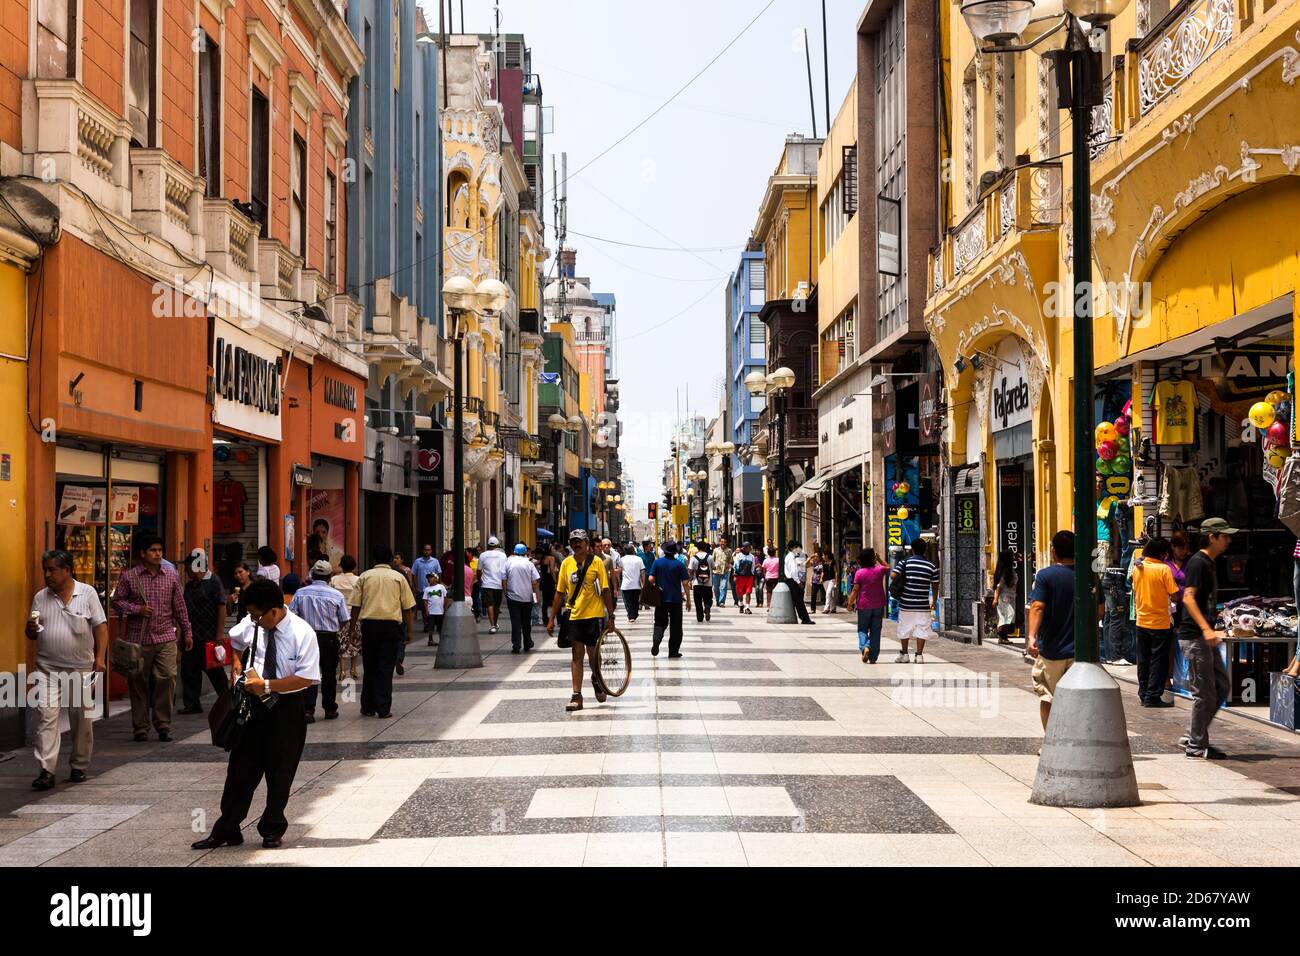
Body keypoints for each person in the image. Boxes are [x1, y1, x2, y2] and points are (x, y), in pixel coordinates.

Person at [191, 579, 319, 851]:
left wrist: (268, 685)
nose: (255, 622)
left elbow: (306, 679)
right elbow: (235, 643)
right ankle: (228, 828)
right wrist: (236, 666)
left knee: (280, 771)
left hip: (286, 708)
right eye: (252, 616)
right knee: (240, 770)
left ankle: (272, 828)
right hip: (252, 706)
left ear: (275, 610)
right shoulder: (253, 623)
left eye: (259, 616)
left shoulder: (302, 633)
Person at [27, 550, 108, 790]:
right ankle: (46, 770)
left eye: (52, 569)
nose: (47, 574)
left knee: (81, 718)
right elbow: (31, 633)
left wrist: (101, 658)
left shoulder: (87, 593)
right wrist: (30, 628)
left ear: (67, 570)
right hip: (47, 667)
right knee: (45, 716)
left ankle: (79, 765)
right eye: (45, 570)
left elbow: (100, 627)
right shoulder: (41, 597)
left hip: (81, 667)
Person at [111, 533, 193, 742]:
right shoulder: (130, 577)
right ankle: (140, 726)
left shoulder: (171, 576)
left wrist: (187, 632)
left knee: (167, 678)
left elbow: (180, 607)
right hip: (138, 640)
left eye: (159, 550)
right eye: (153, 550)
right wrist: (137, 609)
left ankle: (163, 724)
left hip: (166, 637)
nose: (158, 554)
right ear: (142, 553)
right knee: (138, 683)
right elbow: (117, 602)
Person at [1178, 519, 1235, 759]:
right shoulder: (1198, 563)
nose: (1228, 540)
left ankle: (1194, 735)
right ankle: (1196, 746)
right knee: (1205, 693)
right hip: (1194, 637)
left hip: (1204, 636)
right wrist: (1206, 629)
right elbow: (1188, 598)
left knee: (1221, 686)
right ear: (1211, 537)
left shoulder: (1210, 563)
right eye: (1225, 536)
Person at [546, 530, 614, 712]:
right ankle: (577, 696)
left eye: (580, 542)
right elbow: (560, 592)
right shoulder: (567, 564)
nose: (576, 545)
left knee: (592, 654)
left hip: (593, 615)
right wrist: (551, 618)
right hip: (574, 615)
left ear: (587, 544)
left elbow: (606, 590)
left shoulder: (596, 562)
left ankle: (596, 678)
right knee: (577, 654)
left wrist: (611, 616)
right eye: (573, 542)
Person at [349, 544, 416, 719]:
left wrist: (352, 629)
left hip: (369, 626)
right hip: (391, 627)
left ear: (373, 559)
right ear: (389, 559)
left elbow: (355, 606)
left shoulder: (364, 577)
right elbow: (407, 608)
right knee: (386, 668)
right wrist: (410, 631)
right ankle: (383, 708)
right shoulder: (398, 577)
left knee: (370, 666)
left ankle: (368, 706)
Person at [289, 559, 351, 722]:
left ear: (312, 575)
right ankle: (329, 708)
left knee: (308, 672)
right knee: (329, 674)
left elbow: (291, 616)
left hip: (306, 638)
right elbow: (344, 619)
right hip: (329, 638)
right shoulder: (336, 595)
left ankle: (308, 710)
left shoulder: (301, 593)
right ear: (330, 576)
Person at [1027, 530, 1076, 730]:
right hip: (1079, 651)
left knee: (1048, 697)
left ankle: (1050, 743)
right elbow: (1099, 610)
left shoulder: (1045, 576)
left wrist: (1031, 636)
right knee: (1076, 699)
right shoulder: (1087, 575)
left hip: (1051, 650)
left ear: (1054, 551)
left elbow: (1037, 606)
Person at [1130, 537, 1179, 709]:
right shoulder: (1164, 569)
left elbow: (1136, 589)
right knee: (1158, 661)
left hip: (1141, 621)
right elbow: (1174, 595)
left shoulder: (1138, 569)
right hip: (1160, 623)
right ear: (1163, 554)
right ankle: (1152, 696)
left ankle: (1143, 694)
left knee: (1143, 660)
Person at [180, 552, 228, 715]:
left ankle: (228, 700)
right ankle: (192, 704)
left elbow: (221, 607)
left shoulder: (214, 581)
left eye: (188, 567)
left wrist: (219, 634)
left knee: (215, 672)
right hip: (191, 636)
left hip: (209, 635)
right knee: (189, 671)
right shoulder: (189, 585)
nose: (186, 571)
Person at [890, 539, 939, 662]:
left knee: (904, 628)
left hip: (906, 603)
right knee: (922, 628)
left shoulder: (905, 562)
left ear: (912, 549)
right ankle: (919, 655)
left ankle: (905, 654)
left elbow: (893, 576)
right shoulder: (931, 566)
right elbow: (935, 585)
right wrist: (933, 601)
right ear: (925, 549)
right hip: (922, 604)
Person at [649, 540, 691, 656]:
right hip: (676, 600)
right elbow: (685, 583)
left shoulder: (657, 563)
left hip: (661, 599)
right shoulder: (679, 565)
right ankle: (673, 651)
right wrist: (688, 600)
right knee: (676, 627)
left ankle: (657, 639)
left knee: (659, 622)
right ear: (674, 552)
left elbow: (651, 579)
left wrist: (656, 586)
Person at [847, 549, 889, 664]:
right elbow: (888, 567)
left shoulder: (859, 573)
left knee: (862, 629)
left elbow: (855, 590)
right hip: (879, 605)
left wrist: (850, 603)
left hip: (863, 605)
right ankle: (873, 657)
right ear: (873, 559)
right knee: (876, 631)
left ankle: (865, 646)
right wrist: (879, 559)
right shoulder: (879, 570)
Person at [504, 543, 542, 653]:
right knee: (526, 622)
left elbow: (504, 579)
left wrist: (506, 592)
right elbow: (535, 582)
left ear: (514, 552)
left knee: (515, 622)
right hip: (527, 598)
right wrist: (537, 596)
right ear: (526, 552)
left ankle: (516, 644)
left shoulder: (508, 562)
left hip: (513, 597)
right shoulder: (529, 564)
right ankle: (527, 643)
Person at [330, 555, 362, 682]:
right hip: (355, 615)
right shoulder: (359, 580)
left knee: (341, 641)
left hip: (339, 616)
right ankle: (354, 669)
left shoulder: (334, 580)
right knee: (355, 641)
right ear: (354, 567)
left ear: (341, 566)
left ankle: (342, 670)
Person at [477, 537, 508, 634]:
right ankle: (495, 623)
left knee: (489, 604)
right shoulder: (503, 555)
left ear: (488, 545)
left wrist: (479, 580)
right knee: (497, 605)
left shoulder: (483, 555)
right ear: (497, 545)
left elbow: (479, 570)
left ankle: (492, 625)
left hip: (487, 584)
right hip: (499, 584)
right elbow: (506, 570)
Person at [411, 544, 442, 630]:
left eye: (428, 550)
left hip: (433, 588)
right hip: (421, 589)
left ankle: (432, 623)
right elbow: (413, 574)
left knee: (433, 606)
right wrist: (415, 586)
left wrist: (438, 585)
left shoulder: (435, 561)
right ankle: (426, 624)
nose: (426, 551)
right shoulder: (417, 562)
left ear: (431, 551)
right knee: (424, 608)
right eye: (425, 549)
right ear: (423, 550)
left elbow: (439, 573)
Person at [992, 550, 1020, 644]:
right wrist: (995, 599)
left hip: (1010, 597)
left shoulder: (1008, 570)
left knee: (1008, 616)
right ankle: (1002, 637)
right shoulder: (1005, 572)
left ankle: (1004, 637)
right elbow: (999, 586)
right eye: (1011, 556)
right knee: (1006, 616)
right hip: (1005, 597)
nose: (1013, 558)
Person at [783, 541, 814, 625]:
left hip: (793, 580)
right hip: (793, 581)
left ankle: (802, 618)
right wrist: (798, 582)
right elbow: (793, 571)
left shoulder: (792, 556)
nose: (798, 549)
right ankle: (805, 619)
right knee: (799, 601)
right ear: (791, 548)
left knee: (796, 601)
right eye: (796, 547)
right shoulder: (790, 557)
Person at [619, 543, 646, 621]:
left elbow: (619, 569)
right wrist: (643, 583)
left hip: (626, 585)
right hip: (636, 585)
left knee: (628, 601)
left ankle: (631, 616)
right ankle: (634, 614)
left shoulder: (622, 559)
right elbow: (643, 571)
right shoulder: (639, 559)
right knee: (635, 600)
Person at [689, 542, 714, 622]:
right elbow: (713, 567)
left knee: (698, 601)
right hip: (708, 583)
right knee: (708, 599)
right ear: (705, 548)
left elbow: (690, 569)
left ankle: (700, 617)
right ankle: (707, 607)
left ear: (697, 548)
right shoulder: (710, 557)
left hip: (697, 583)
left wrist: (691, 578)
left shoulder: (693, 558)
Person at [731, 542, 756, 614]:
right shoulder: (738, 556)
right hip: (740, 576)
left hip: (749, 577)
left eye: (750, 547)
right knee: (740, 592)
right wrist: (735, 575)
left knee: (748, 592)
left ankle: (747, 607)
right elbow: (735, 566)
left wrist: (752, 575)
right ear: (744, 548)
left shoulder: (752, 556)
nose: (750, 548)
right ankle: (741, 604)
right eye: (748, 547)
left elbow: (753, 566)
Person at [423, 571, 447, 645]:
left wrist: (445, 608)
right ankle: (430, 640)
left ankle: (441, 639)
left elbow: (445, 597)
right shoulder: (427, 589)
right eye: (428, 578)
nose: (429, 579)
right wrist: (427, 610)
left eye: (431, 577)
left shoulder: (441, 587)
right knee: (431, 626)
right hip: (431, 612)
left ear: (436, 578)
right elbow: (425, 600)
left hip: (440, 611)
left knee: (440, 626)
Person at [711, 536, 733, 608]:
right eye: (722, 542)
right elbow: (712, 560)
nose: (723, 543)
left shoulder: (729, 551)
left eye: (724, 542)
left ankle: (722, 602)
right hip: (716, 571)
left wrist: (729, 565)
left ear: (726, 543)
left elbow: (731, 561)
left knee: (723, 586)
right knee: (715, 587)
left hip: (725, 571)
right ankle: (717, 600)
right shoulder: (715, 550)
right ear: (720, 542)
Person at [821, 549, 839, 614]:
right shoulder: (823, 562)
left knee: (828, 593)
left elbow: (836, 572)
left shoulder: (832, 562)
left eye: (823, 555)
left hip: (832, 580)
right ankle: (833, 608)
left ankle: (826, 608)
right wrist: (821, 579)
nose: (822, 556)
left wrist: (836, 581)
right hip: (825, 580)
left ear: (827, 555)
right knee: (829, 595)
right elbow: (823, 571)